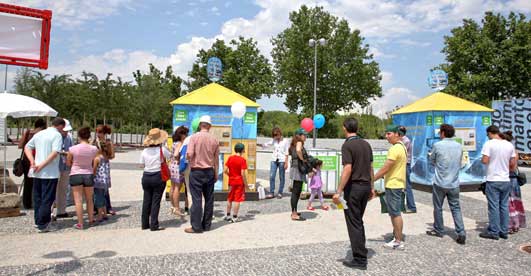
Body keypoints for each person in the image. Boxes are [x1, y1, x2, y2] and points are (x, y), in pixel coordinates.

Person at [333, 118, 375, 270]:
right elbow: (371, 167)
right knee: (358, 220)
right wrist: (372, 186)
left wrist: (338, 191)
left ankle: (359, 259)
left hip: (354, 188)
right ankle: (361, 251)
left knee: (354, 222)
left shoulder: (347, 145)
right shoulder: (366, 144)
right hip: (365, 187)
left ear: (345, 128)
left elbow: (348, 169)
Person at [426, 124, 466, 245]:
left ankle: (439, 229)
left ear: (443, 133)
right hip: (454, 183)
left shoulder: (437, 145)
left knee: (438, 207)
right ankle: (461, 232)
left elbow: (432, 160)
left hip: (440, 182)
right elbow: (460, 162)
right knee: (456, 208)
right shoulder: (459, 146)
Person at [24, 117, 65, 233]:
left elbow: (27, 147)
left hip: (37, 172)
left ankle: (38, 221)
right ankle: (43, 224)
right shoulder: (57, 135)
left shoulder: (40, 134)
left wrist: (32, 161)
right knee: (47, 199)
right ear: (60, 126)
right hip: (50, 173)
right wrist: (42, 165)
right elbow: (54, 153)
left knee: (38, 198)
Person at [479, 125, 516, 240]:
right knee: (504, 206)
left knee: (493, 206)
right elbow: (513, 163)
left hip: (493, 179)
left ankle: (494, 231)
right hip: (505, 179)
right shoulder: (509, 144)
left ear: (490, 133)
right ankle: (504, 231)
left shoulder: (489, 144)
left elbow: (485, 160)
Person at [373, 125, 407, 250]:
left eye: (389, 134)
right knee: (395, 212)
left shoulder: (395, 149)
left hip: (393, 184)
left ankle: (398, 241)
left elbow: (386, 167)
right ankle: (396, 236)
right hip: (397, 183)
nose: (386, 136)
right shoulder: (402, 147)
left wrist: (372, 179)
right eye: (386, 134)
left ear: (397, 134)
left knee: (395, 213)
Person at [185, 115, 220, 234]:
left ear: (200, 125)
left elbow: (189, 154)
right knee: (209, 199)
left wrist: (188, 158)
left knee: (197, 199)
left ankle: (196, 226)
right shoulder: (214, 140)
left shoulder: (194, 138)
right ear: (209, 126)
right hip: (209, 171)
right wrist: (215, 173)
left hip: (196, 171)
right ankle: (207, 225)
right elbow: (216, 160)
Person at [67, 127, 98, 230]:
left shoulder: (73, 149)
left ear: (79, 136)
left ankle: (80, 223)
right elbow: (95, 161)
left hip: (75, 173)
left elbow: (68, 162)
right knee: (89, 199)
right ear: (89, 136)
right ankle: (91, 219)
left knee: (78, 200)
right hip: (88, 173)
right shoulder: (93, 149)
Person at [139, 128, 170, 231]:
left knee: (146, 200)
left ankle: (144, 224)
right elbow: (171, 156)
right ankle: (154, 225)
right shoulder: (162, 150)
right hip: (158, 176)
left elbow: (141, 165)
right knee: (156, 201)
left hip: (146, 176)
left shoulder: (144, 151)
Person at [500, 131, 526, 234]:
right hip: (513, 179)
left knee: (509, 202)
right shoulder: (514, 150)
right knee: (514, 202)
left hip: (510, 178)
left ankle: (511, 224)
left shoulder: (511, 151)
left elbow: (512, 166)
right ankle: (517, 223)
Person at [18, 118, 46, 209]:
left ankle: (27, 203)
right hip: (39, 159)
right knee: (39, 182)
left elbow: (20, 145)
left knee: (27, 182)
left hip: (27, 160)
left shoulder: (28, 132)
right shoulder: (43, 134)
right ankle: (38, 202)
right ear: (43, 126)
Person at [53, 119, 74, 220]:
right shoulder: (55, 137)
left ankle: (61, 210)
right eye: (64, 130)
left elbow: (71, 149)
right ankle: (52, 212)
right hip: (56, 167)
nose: (65, 132)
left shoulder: (69, 137)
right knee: (54, 189)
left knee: (64, 189)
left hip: (66, 167)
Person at [93, 125, 116, 215]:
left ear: (104, 133)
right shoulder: (94, 142)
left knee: (104, 188)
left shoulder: (108, 142)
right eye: (97, 132)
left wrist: (105, 154)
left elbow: (112, 156)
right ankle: (96, 207)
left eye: (100, 132)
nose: (98, 134)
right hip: (95, 163)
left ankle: (108, 207)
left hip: (104, 165)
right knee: (95, 188)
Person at [223, 143, 248, 223]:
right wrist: (246, 184)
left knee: (229, 198)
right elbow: (242, 173)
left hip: (231, 181)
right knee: (237, 199)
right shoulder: (243, 160)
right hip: (239, 182)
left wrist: (230, 175)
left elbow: (225, 170)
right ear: (242, 150)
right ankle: (235, 216)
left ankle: (227, 215)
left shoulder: (230, 158)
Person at [289, 128, 309, 221]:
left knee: (296, 191)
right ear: (299, 135)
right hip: (298, 168)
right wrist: (302, 159)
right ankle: (294, 213)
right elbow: (298, 150)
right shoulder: (299, 142)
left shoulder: (294, 143)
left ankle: (294, 211)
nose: (306, 137)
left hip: (295, 168)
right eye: (304, 135)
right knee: (296, 192)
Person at [263, 127, 289, 199]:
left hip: (282, 160)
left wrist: (286, 162)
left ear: (280, 133)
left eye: (276, 135)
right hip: (274, 159)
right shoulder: (273, 140)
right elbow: (266, 144)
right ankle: (271, 192)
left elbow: (287, 152)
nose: (275, 137)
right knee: (271, 176)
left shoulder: (285, 141)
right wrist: (258, 144)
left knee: (281, 177)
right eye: (274, 135)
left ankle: (280, 192)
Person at [169, 126, 189, 217]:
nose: (186, 135)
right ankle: (177, 208)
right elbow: (177, 154)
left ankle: (173, 206)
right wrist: (179, 158)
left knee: (172, 187)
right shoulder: (180, 143)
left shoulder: (174, 142)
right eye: (185, 133)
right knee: (177, 187)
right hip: (177, 166)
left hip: (172, 165)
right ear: (181, 134)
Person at [93, 140, 112, 223]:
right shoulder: (106, 157)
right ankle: (105, 214)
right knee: (103, 197)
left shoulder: (97, 159)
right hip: (105, 181)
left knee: (98, 198)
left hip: (98, 181)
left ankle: (100, 215)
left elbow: (94, 171)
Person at [399, 126, 416, 213]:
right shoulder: (403, 140)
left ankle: (412, 207)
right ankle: (402, 205)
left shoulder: (406, 141)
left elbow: (400, 152)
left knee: (407, 186)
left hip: (406, 165)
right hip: (403, 165)